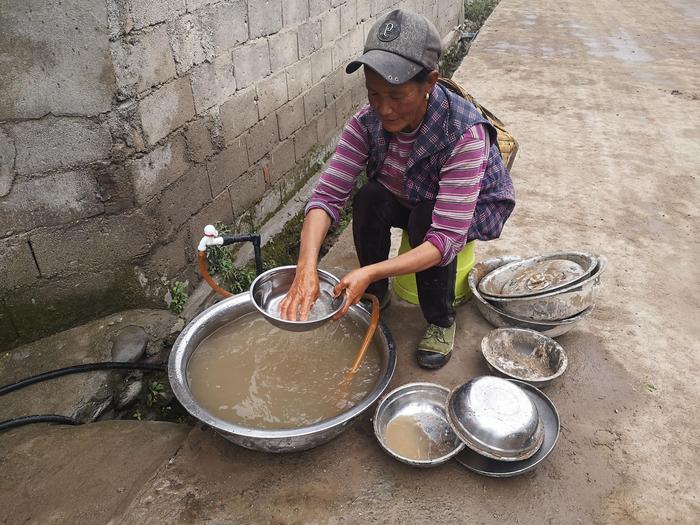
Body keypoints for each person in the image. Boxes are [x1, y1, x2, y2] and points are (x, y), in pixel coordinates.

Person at [279, 9, 515, 369]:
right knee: (369, 197)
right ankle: (374, 297)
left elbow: (445, 238)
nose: (384, 109)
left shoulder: (464, 133)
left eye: (397, 95)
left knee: (425, 218)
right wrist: (305, 266)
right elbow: (326, 197)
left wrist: (371, 269)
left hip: (464, 209)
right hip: (406, 190)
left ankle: (440, 321)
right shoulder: (366, 122)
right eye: (374, 94)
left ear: (430, 82)